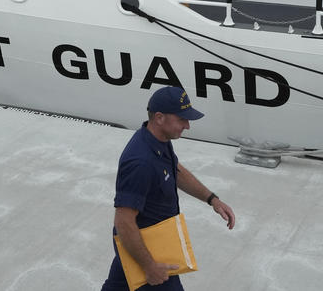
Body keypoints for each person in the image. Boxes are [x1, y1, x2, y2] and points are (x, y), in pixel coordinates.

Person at [100, 86, 236, 290]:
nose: (188, 126)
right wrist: (150, 266)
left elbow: (175, 171)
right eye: (182, 119)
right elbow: (124, 222)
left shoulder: (158, 139)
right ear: (159, 117)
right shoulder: (141, 163)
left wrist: (212, 199)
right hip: (148, 252)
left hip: (139, 246)